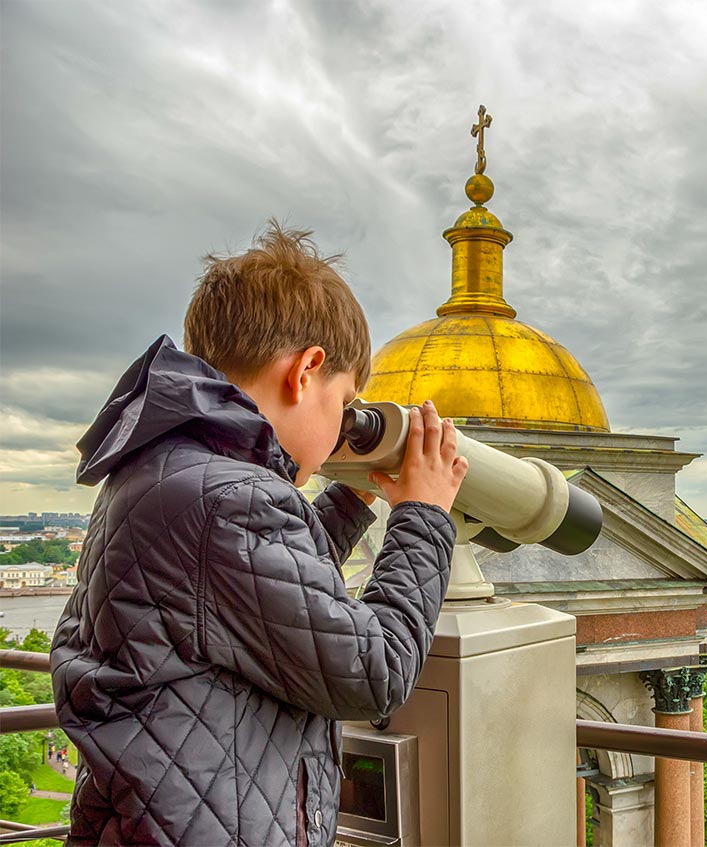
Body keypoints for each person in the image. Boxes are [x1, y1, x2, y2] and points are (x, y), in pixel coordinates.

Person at [50, 223, 468, 847]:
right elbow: (375, 670)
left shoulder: (167, 473)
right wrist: (424, 516)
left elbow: (269, 601)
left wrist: (353, 497)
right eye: (346, 401)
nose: (342, 427)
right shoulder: (231, 498)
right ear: (306, 372)